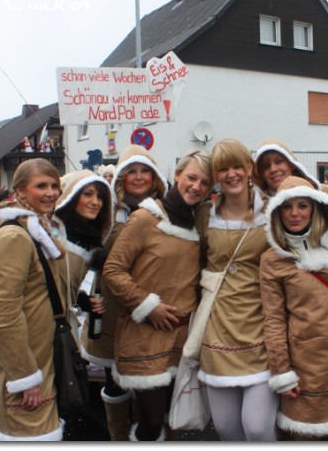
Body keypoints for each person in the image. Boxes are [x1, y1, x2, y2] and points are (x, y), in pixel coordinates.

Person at [103, 149, 213, 441]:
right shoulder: (144, 218)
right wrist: (146, 305)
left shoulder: (198, 222)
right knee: (151, 423)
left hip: (182, 338)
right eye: (191, 178)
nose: (197, 186)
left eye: (205, 182)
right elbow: (113, 270)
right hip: (145, 337)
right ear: (177, 175)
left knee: (172, 419)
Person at [259, 176, 328, 440]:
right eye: (287, 206)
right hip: (305, 365)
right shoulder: (271, 259)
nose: (294, 213)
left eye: (302, 205)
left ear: (315, 207)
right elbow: (274, 319)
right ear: (277, 211)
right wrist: (281, 371)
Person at [83, 144, 169, 441]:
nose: (139, 177)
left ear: (155, 176)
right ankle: (119, 438)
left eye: (145, 170)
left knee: (151, 383)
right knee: (115, 380)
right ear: (121, 176)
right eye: (131, 171)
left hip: (153, 308)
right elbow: (76, 250)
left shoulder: (167, 211)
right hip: (111, 309)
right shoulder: (103, 211)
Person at [0, 159, 65, 440]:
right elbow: (3, 313)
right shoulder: (15, 236)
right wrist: (24, 376)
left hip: (35, 357)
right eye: (41, 186)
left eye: (54, 186)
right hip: (21, 369)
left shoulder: (34, 227)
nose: (50, 193)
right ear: (20, 192)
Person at [195, 139, 277, 441]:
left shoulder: (272, 211)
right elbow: (192, 262)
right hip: (217, 328)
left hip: (261, 326)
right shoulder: (205, 214)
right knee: (227, 428)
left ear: (249, 168)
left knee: (257, 428)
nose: (231, 174)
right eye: (222, 169)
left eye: (237, 166)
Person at [52, 169, 114, 346]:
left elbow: (66, 285)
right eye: (88, 194)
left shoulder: (91, 242)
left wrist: (85, 301)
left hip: (65, 328)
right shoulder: (49, 230)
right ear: (72, 195)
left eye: (100, 197)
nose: (95, 202)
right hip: (39, 324)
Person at [254, 138, 328, 238]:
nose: (273, 169)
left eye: (279, 161)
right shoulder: (258, 207)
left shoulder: (327, 193)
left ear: (292, 164)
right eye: (266, 166)